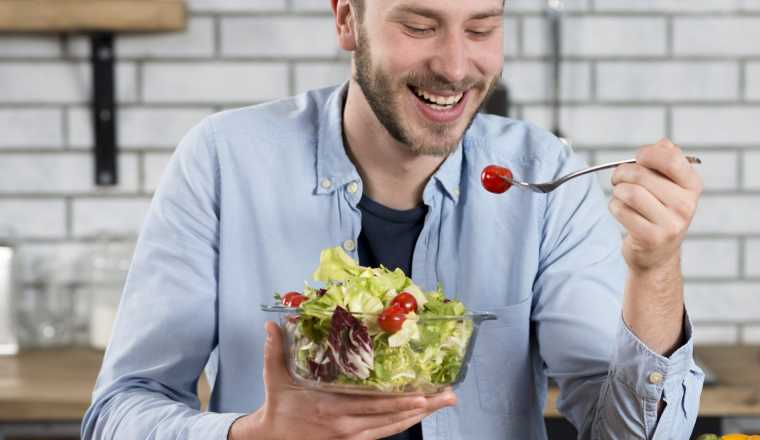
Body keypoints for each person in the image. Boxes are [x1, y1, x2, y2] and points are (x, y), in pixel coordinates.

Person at [81, 0, 705, 438]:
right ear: (347, 19)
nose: (457, 67)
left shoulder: (543, 175)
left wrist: (655, 271)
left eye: (482, 27)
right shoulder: (223, 160)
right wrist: (253, 435)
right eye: (419, 25)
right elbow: (118, 413)